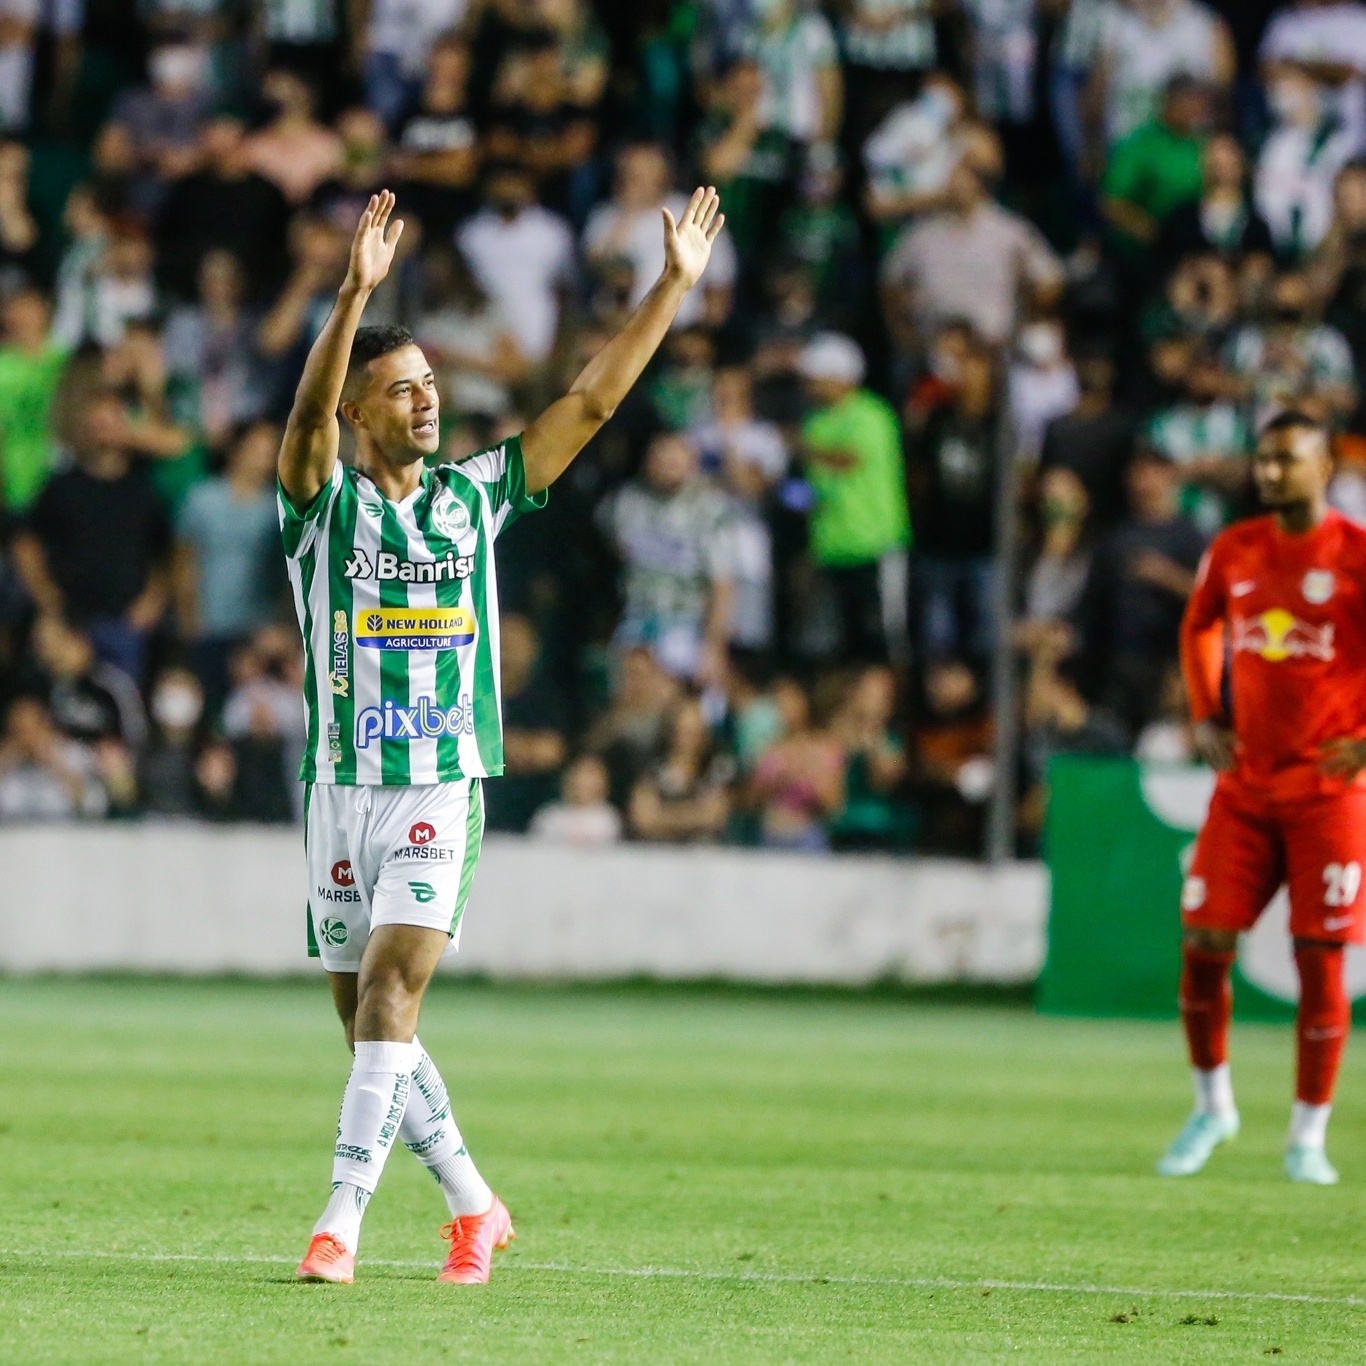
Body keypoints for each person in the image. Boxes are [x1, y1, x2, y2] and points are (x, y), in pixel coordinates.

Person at [281, 186, 725, 1285]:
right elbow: (299, 427)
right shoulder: (322, 508)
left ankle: (338, 1223)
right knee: (369, 1030)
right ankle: (476, 1206)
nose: (428, 401)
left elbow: (589, 402)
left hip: (439, 787)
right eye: (402, 389)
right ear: (359, 409)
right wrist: (351, 298)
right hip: (339, 789)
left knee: (391, 996)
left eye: (432, 383)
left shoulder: (476, 498)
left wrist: (670, 286)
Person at [1159, 410, 1366, 1186]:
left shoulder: (1354, 553)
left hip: (1329, 790)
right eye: (1265, 460)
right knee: (1205, 943)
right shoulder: (1236, 547)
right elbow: (1198, 626)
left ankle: (1307, 1136)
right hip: (1245, 786)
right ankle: (1212, 1106)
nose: (1271, 473)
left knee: (1320, 960)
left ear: (1325, 467)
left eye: (1288, 460)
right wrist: (1207, 713)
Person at [798, 332, 910, 662]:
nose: (810, 385)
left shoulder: (872, 414)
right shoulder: (815, 422)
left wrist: (800, 448)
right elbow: (815, 485)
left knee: (884, 634)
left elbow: (847, 459)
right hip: (832, 547)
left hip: (874, 543)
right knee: (843, 640)